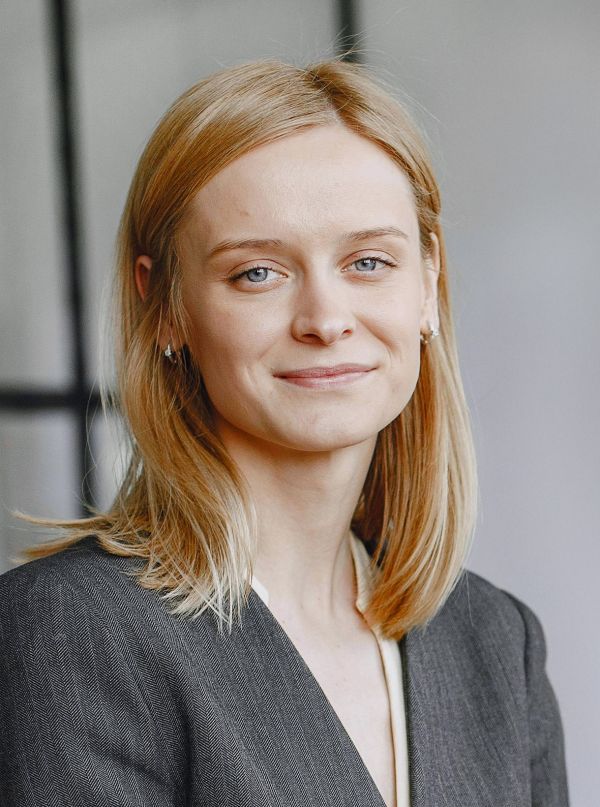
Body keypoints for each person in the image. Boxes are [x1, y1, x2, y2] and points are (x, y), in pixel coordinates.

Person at [0, 58, 568, 807]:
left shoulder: (496, 642)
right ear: (164, 304)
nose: (326, 320)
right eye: (257, 273)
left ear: (428, 284)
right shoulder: (71, 630)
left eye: (369, 261)